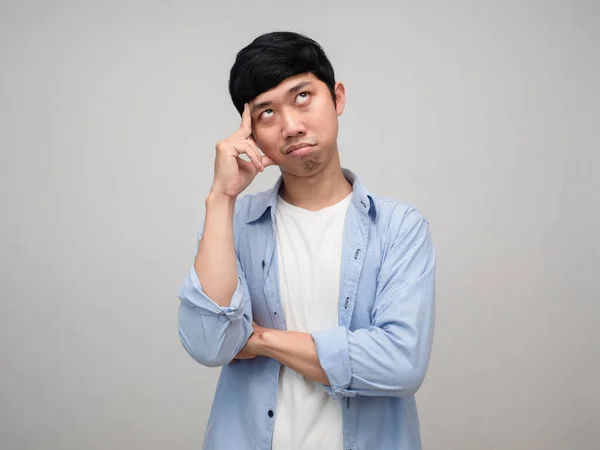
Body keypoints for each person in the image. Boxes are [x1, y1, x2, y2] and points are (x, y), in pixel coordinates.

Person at [177, 31, 436, 450]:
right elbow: (209, 343)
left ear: (337, 98)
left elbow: (402, 363)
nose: (292, 126)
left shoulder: (397, 227)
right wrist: (221, 198)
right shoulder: (236, 222)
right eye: (266, 113)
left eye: (302, 97)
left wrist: (257, 339)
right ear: (250, 133)